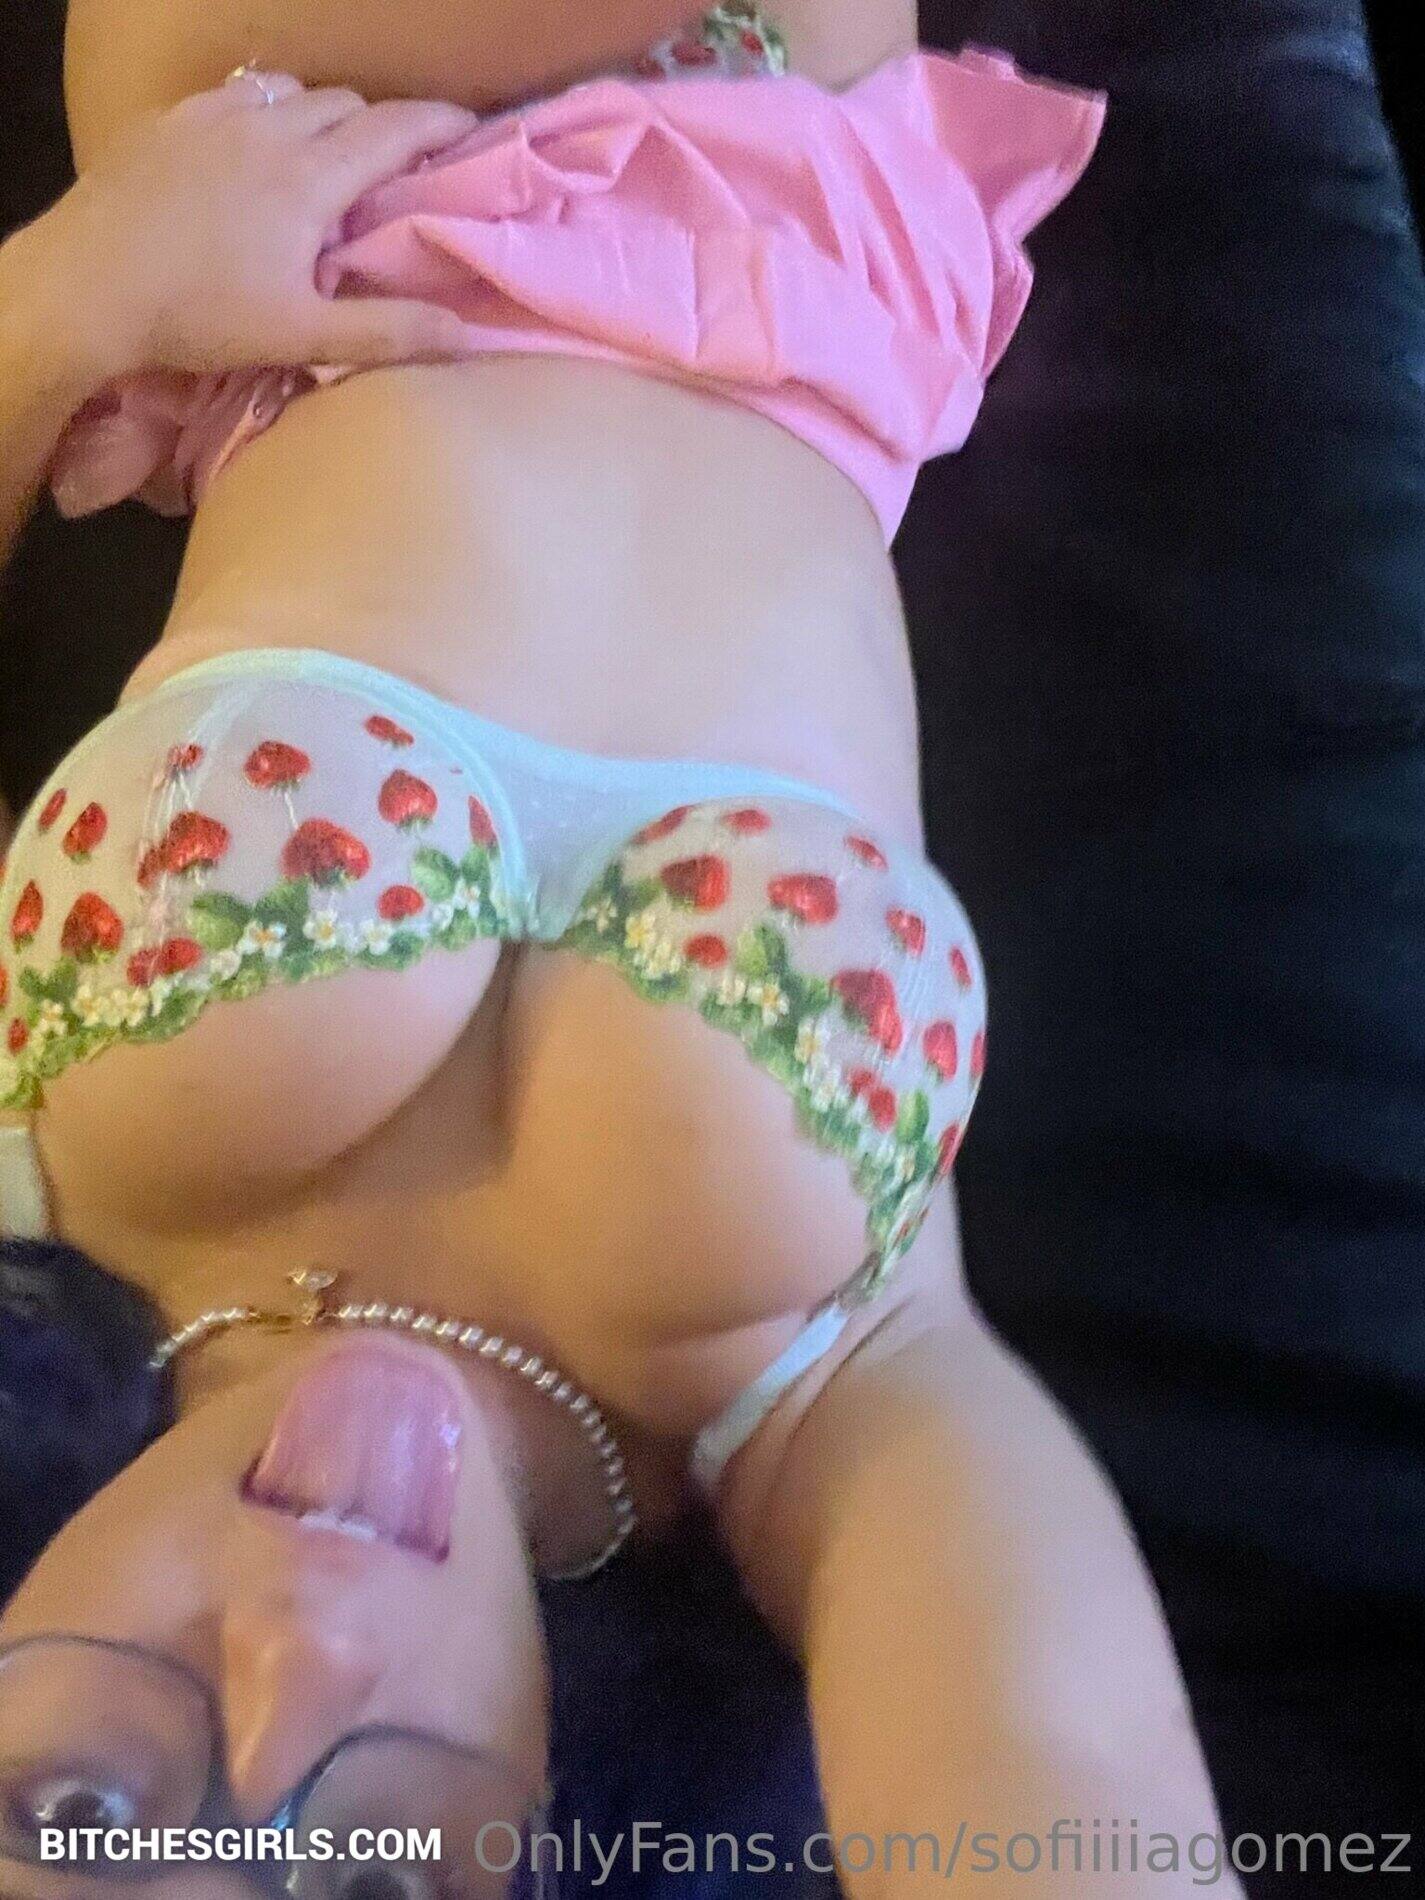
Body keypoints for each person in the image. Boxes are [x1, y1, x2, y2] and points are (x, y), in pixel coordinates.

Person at [0, 4, 1237, 1891]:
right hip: (781, 148)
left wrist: (64, 304)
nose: (292, 1654)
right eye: (360, 1876)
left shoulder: (44, 1196)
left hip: (298, 134)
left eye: (84, 1813)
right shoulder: (798, 1415)